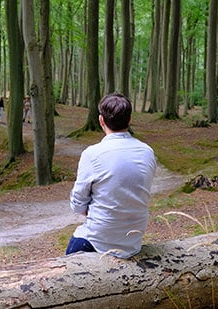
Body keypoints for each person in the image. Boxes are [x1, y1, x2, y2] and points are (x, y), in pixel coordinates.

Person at [66, 93, 157, 259]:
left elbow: (77, 204)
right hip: (133, 241)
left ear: (101, 120)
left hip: (98, 241)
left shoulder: (92, 154)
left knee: (69, 260)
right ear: (129, 120)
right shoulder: (147, 152)